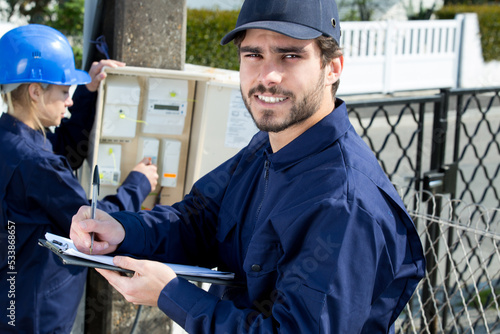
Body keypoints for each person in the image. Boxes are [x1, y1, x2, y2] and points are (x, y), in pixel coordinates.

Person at [70, 0, 426, 332]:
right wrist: (122, 229)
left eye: (290, 55)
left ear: (332, 67)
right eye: (253, 54)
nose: (268, 75)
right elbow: (200, 220)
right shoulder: (268, 146)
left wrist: (172, 294)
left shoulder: (346, 204)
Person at [0, 24, 158, 333]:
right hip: (35, 314)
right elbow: (93, 224)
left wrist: (88, 92)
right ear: (35, 92)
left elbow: (65, 152)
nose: (69, 101)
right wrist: (138, 183)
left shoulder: (12, 140)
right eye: (63, 92)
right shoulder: (37, 162)